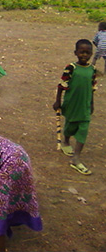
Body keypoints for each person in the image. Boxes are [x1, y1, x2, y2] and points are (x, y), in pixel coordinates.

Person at [53, 39, 97, 175]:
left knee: (83, 129)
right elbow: (61, 85)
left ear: (91, 54)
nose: (84, 55)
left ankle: (76, 158)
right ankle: (66, 140)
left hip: (84, 106)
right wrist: (57, 101)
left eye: (87, 53)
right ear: (76, 53)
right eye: (81, 52)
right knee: (71, 126)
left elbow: (92, 88)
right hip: (72, 104)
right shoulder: (71, 68)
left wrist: (91, 103)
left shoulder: (92, 70)